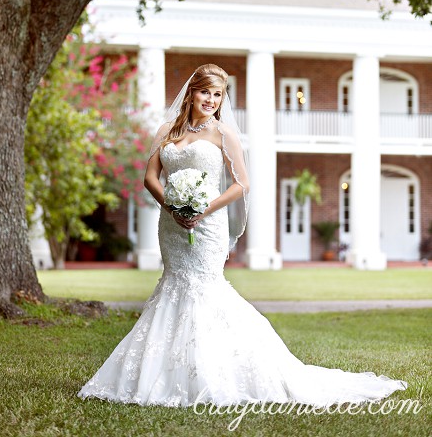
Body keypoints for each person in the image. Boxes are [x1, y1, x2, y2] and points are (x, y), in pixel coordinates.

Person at [78, 63, 406, 406]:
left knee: (204, 288)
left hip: (208, 225)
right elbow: (150, 178)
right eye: (205, 92)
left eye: (217, 95)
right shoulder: (165, 131)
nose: (211, 100)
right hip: (171, 225)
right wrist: (173, 208)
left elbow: (242, 184)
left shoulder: (223, 134)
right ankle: (165, 370)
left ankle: (215, 370)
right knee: (173, 284)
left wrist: (203, 210)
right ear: (191, 93)